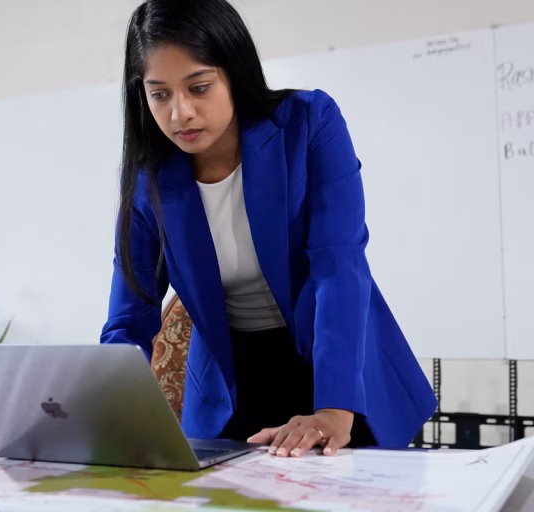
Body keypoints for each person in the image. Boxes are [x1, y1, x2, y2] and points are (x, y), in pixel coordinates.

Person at [100, 0, 437, 458]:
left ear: (234, 72)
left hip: (335, 365)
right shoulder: (148, 179)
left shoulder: (308, 123)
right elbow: (129, 317)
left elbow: (338, 266)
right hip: (231, 385)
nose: (180, 114)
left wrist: (334, 408)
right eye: (159, 94)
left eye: (199, 87)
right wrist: (107, 414)